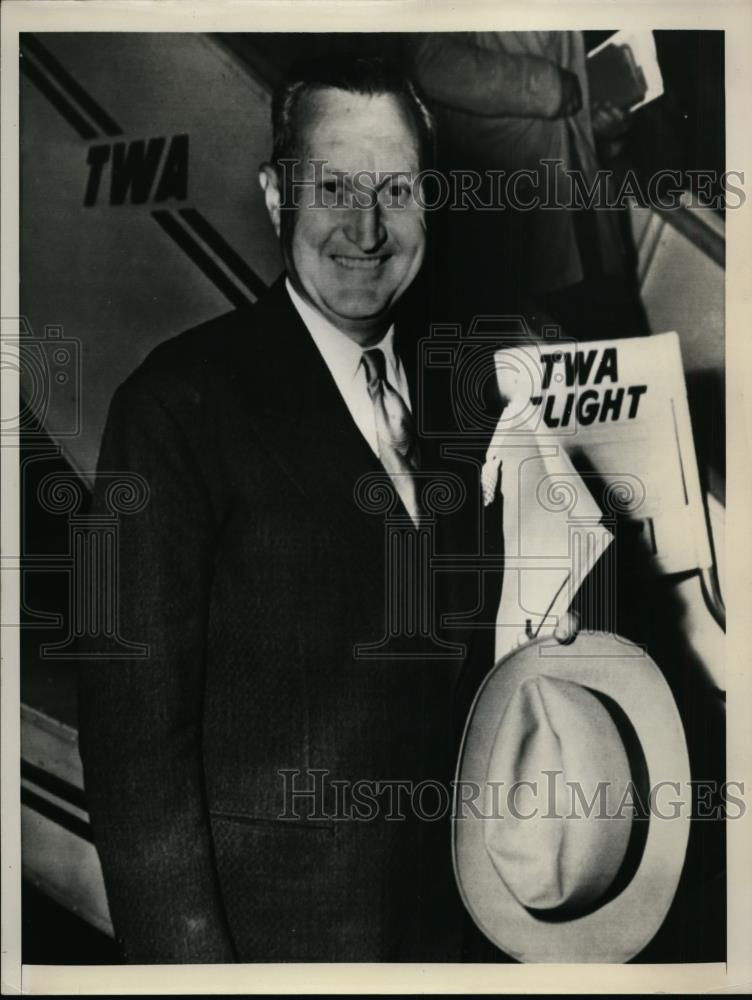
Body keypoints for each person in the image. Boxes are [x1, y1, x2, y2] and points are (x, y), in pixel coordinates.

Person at [77, 54, 505, 964]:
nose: (365, 227)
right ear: (277, 196)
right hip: (273, 949)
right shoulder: (176, 407)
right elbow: (134, 751)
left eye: (395, 187)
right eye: (332, 186)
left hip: (448, 936)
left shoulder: (468, 401)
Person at [408, 31, 649, 340]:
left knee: (633, 372)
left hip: (591, 234)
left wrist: (603, 126)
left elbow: (569, 104)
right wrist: (544, 86)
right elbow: (426, 61)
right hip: (513, 238)